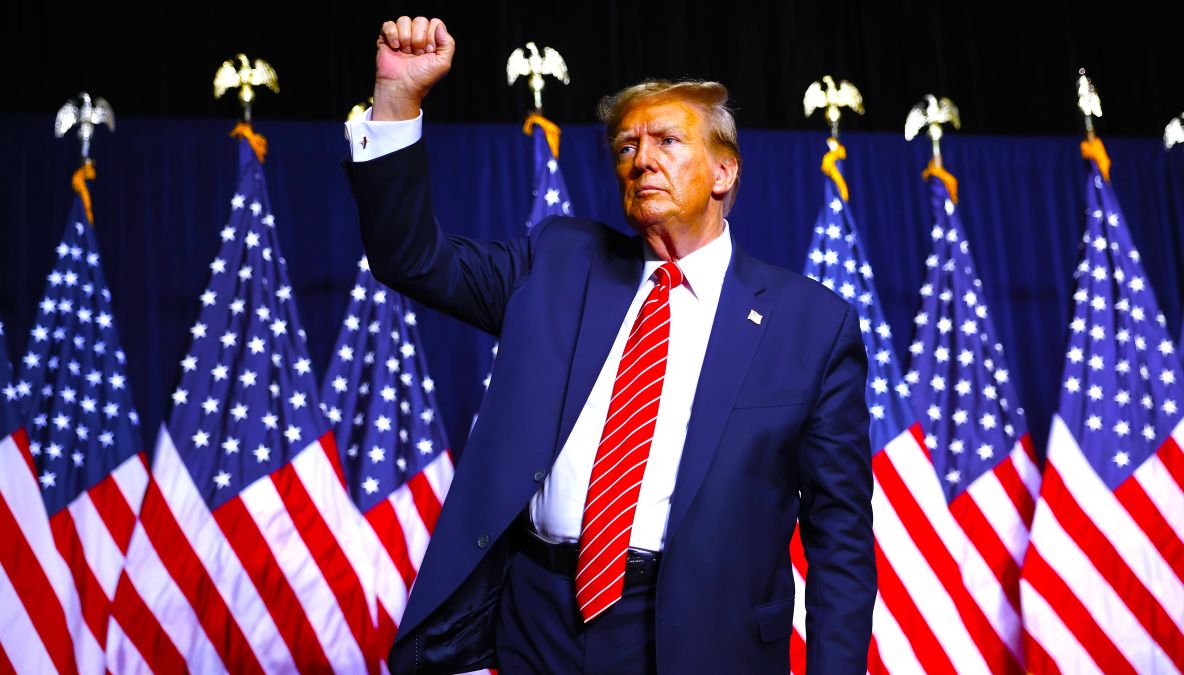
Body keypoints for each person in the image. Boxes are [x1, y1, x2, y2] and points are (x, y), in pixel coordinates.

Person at [345, 15, 876, 674]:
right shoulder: (556, 261)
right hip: (537, 617)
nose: (641, 158)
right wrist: (398, 103)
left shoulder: (812, 325)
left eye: (666, 141)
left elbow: (840, 534)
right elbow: (411, 259)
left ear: (723, 171)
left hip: (705, 634)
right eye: (626, 146)